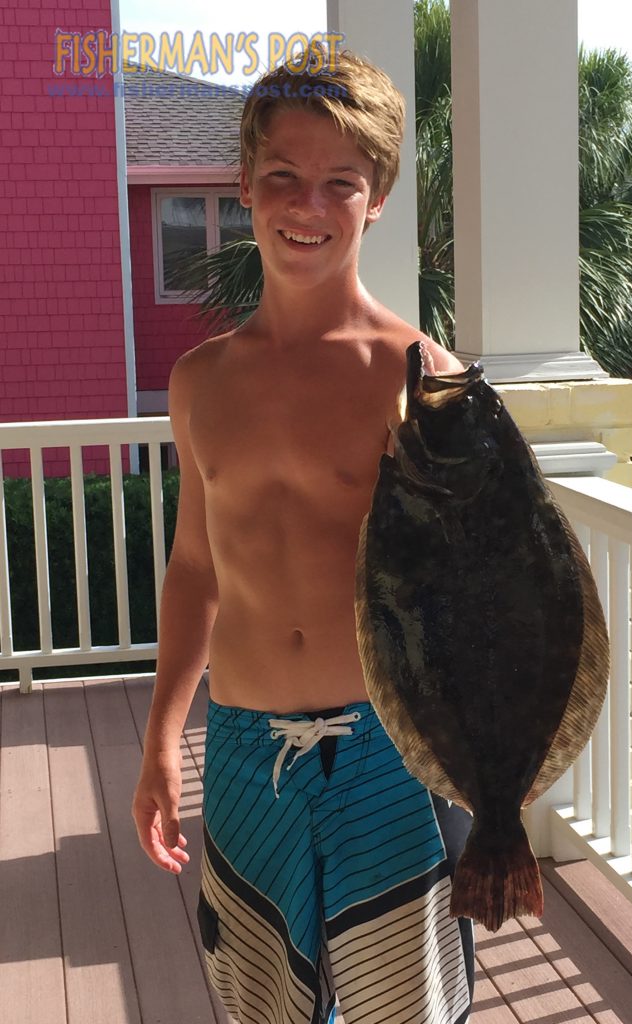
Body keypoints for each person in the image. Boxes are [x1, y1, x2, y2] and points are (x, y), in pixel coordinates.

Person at [132, 49, 474, 1024]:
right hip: (239, 748)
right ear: (244, 186)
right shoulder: (201, 382)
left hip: (385, 750)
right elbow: (196, 569)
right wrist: (162, 735)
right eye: (282, 175)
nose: (307, 202)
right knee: (262, 1003)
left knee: (399, 1007)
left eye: (340, 182)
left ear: (375, 201)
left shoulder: (423, 375)